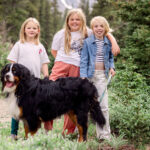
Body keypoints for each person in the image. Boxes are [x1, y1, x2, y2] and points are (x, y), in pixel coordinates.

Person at [44, 9, 119, 135]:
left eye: (77, 19)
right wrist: (64, 60)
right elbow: (54, 51)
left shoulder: (88, 32)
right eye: (72, 19)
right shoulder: (60, 34)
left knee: (72, 100)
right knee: (49, 95)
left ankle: (67, 132)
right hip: (60, 65)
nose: (74, 22)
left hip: (78, 67)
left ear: (82, 21)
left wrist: (114, 41)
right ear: (67, 21)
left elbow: (103, 32)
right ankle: (47, 131)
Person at [7, 17, 50, 140]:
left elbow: (44, 63)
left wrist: (46, 76)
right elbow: (12, 62)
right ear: (24, 30)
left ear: (38, 31)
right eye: (29, 27)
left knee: (35, 108)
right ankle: (13, 133)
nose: (31, 30)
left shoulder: (40, 46)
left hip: (35, 83)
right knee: (17, 107)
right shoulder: (19, 45)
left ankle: (35, 131)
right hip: (20, 83)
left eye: (34, 28)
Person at [80, 16, 116, 141]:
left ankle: (104, 135)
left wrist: (112, 67)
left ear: (105, 28)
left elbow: (111, 57)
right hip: (89, 76)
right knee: (88, 106)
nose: (99, 28)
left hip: (101, 76)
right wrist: (83, 76)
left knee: (103, 105)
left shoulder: (108, 41)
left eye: (101, 26)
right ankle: (82, 134)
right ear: (92, 28)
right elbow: (84, 60)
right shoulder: (88, 42)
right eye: (96, 26)